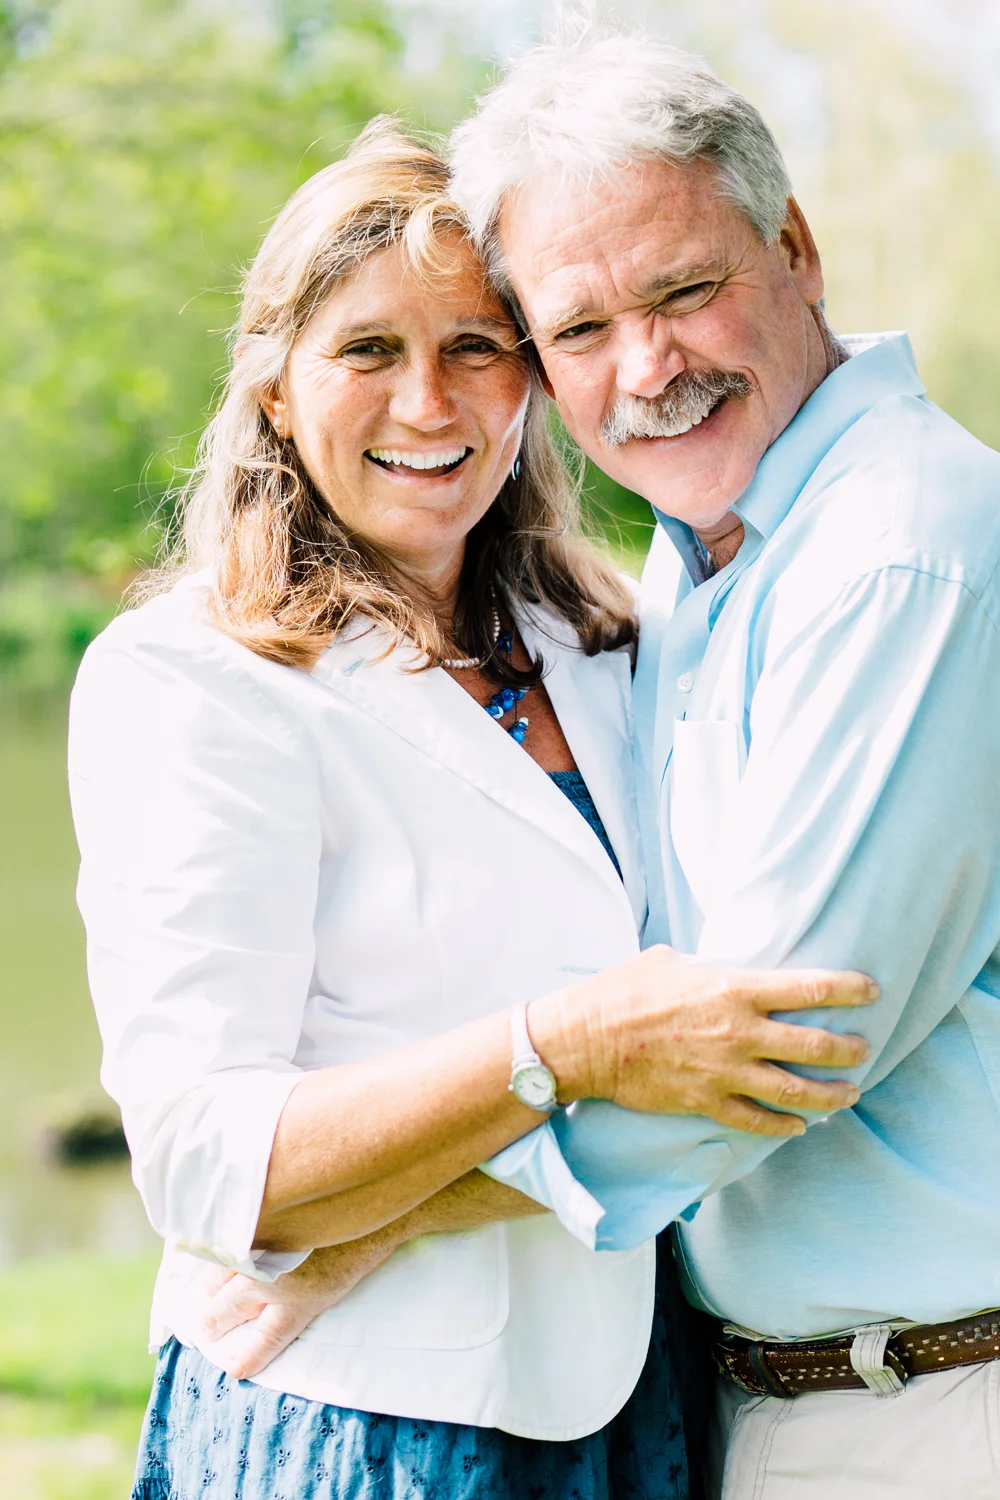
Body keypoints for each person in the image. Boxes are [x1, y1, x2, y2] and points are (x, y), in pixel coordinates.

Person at [68, 124, 869, 1500]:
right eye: (367, 351)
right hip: (370, 1423)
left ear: (537, 382)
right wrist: (564, 1046)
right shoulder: (196, 681)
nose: (428, 403)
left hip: (661, 1393)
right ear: (272, 385)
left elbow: (741, 1043)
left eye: (476, 347)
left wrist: (409, 1206)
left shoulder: (624, 641)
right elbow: (209, 1169)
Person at [452, 14, 1000, 1500]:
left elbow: (775, 1045)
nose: (648, 368)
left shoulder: (901, 552)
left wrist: (366, 1199)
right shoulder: (711, 561)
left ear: (796, 246)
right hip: (796, 1403)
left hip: (944, 1408)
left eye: (686, 291)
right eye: (580, 330)